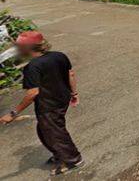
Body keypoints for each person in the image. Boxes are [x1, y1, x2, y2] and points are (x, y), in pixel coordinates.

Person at [1, 31, 83, 176]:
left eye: (18, 47)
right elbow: (71, 74)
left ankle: (73, 159)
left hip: (49, 104)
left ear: (28, 47)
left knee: (55, 132)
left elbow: (33, 92)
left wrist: (13, 113)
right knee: (45, 130)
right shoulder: (59, 55)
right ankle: (60, 153)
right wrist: (74, 93)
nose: (17, 50)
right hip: (62, 98)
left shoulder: (33, 67)